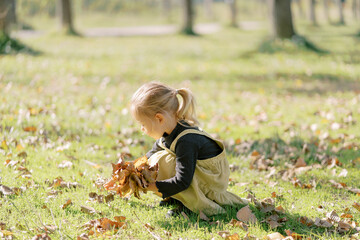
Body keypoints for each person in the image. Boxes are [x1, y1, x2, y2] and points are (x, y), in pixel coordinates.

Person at [130, 82, 248, 217]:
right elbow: (148, 157)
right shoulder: (167, 133)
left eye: (143, 124)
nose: (142, 129)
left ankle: (192, 206)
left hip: (210, 182)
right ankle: (177, 198)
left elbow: (183, 181)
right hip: (196, 177)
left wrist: (152, 186)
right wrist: (131, 171)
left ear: (159, 118)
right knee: (154, 159)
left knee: (165, 162)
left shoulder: (186, 141)